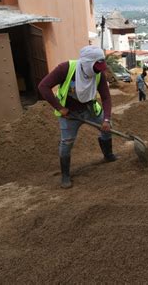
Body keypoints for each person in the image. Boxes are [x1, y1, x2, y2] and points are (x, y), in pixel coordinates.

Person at [38, 45, 116, 189]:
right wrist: (60, 108)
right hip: (69, 115)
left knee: (107, 129)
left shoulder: (99, 74)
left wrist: (106, 119)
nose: (99, 70)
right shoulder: (65, 69)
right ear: (87, 63)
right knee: (67, 142)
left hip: (90, 109)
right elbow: (43, 86)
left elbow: (106, 98)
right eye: (97, 67)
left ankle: (108, 155)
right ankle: (65, 175)